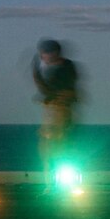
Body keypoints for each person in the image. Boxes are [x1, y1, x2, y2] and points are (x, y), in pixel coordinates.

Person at [31, 38, 79, 190]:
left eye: (44, 54)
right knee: (48, 150)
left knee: (58, 149)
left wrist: (37, 77)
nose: (43, 57)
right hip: (53, 112)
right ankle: (52, 185)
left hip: (59, 113)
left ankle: (58, 185)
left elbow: (55, 90)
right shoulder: (60, 68)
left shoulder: (66, 67)